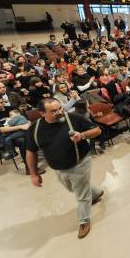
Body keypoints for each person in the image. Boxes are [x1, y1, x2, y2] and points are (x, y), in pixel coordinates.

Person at [26, 98, 104, 239]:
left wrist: (82, 136)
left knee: (81, 195)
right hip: (59, 168)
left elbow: (97, 130)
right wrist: (33, 174)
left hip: (80, 162)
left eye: (60, 108)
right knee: (73, 188)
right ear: (42, 113)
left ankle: (84, 221)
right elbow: (30, 151)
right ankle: (96, 192)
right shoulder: (35, 128)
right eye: (54, 111)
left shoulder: (73, 118)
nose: (60, 112)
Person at [0, 93, 30, 172]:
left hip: (22, 130)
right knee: (22, 140)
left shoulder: (12, 108)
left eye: (2, 102)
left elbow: (27, 120)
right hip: (6, 136)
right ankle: (29, 167)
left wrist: (27, 124)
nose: (0, 104)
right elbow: (2, 130)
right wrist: (20, 126)